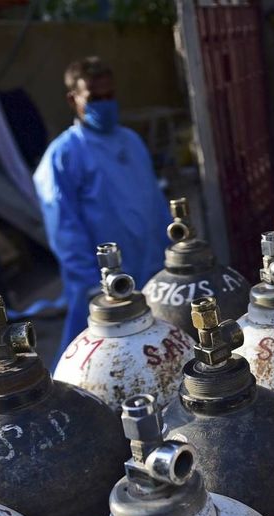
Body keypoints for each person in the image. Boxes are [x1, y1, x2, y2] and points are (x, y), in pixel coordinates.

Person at [34, 56, 170, 358]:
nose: (106, 105)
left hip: (150, 267)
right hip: (101, 283)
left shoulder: (131, 141)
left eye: (110, 96)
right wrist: (90, 283)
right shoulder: (64, 154)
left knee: (154, 353)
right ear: (73, 99)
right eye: (96, 98)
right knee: (94, 361)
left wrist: (169, 252)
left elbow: (154, 200)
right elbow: (63, 228)